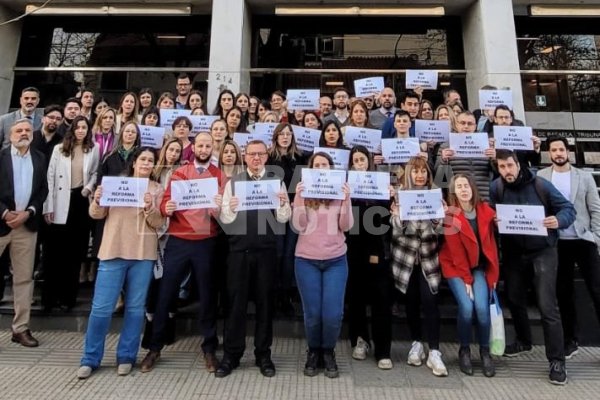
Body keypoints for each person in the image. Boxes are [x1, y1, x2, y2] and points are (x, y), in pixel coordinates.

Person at [77, 147, 165, 379]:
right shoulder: (115, 183)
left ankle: (126, 356)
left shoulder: (157, 189)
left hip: (142, 254)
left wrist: (150, 207)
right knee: (101, 308)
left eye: (150, 160)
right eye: (143, 159)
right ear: (134, 162)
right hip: (113, 250)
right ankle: (90, 358)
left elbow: (159, 223)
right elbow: (96, 214)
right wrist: (96, 200)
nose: (146, 163)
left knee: (136, 309)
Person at [140, 133, 224, 374]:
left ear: (212, 149)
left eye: (209, 145)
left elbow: (226, 212)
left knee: (207, 296)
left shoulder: (220, 175)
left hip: (206, 241)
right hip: (178, 239)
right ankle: (154, 347)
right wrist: (167, 207)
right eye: (201, 145)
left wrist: (219, 208)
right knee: (166, 294)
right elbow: (166, 203)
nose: (205, 148)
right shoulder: (179, 173)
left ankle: (209, 348)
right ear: (194, 147)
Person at [490, 149, 576, 385]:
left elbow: (569, 209)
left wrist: (558, 221)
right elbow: (491, 214)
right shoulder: (496, 188)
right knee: (515, 298)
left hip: (543, 251)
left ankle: (557, 360)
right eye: (501, 167)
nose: (506, 171)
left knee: (548, 305)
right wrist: (494, 222)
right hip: (514, 252)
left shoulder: (541, 185)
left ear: (517, 164)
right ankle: (523, 340)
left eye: (509, 165)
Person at [216, 140, 291, 378]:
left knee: (265, 304)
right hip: (239, 252)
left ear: (266, 157)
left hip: (266, 252)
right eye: (252, 154)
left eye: (260, 154)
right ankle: (232, 355)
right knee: (236, 305)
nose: (256, 158)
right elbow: (225, 220)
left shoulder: (275, 182)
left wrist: (281, 202)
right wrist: (232, 208)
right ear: (245, 157)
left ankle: (263, 354)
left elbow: (284, 217)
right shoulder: (234, 183)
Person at [537, 136, 600, 359]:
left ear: (568, 152)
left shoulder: (584, 177)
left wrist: (595, 237)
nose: (558, 153)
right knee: (563, 293)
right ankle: (570, 340)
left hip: (583, 241)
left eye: (561, 149)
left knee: (596, 289)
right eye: (554, 150)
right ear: (549, 153)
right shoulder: (541, 177)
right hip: (557, 243)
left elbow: (595, 209)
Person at [292, 152, 352, 378]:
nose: (320, 168)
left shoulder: (339, 193)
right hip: (306, 259)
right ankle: (314, 351)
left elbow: (345, 226)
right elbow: (299, 225)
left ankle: (328, 350)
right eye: (316, 165)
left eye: (324, 165)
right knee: (313, 313)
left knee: (333, 313)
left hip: (336, 259)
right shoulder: (304, 193)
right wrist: (298, 198)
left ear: (331, 168)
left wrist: (346, 200)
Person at [390, 156, 447, 377]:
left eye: (424, 171)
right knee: (411, 301)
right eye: (416, 171)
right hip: (405, 258)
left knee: (430, 300)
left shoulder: (435, 194)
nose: (420, 175)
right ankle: (416, 342)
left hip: (427, 258)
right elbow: (394, 229)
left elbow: (441, 230)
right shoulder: (399, 194)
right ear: (409, 174)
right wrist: (400, 216)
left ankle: (434, 350)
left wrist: (437, 219)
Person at [440, 173, 499, 377]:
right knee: (466, 307)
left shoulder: (486, 211)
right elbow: (455, 252)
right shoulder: (451, 216)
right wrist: (466, 280)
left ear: (473, 188)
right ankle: (464, 349)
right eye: (459, 186)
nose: (464, 189)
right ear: (453, 191)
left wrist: (492, 276)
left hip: (480, 267)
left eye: (466, 185)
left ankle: (484, 351)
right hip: (456, 268)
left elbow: (492, 246)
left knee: (482, 309)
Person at [42, 115, 99, 312]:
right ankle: (50, 298)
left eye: (85, 127)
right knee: (55, 253)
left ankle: (68, 298)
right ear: (72, 129)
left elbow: (95, 173)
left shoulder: (94, 148)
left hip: (80, 201)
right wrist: (48, 206)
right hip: (59, 201)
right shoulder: (59, 149)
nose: (81, 130)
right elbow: (50, 177)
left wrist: (89, 188)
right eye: (78, 127)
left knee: (75, 253)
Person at [0, 119, 48, 347]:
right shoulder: (0, 156)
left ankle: (20, 329)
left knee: (24, 279)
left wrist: (29, 212)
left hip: (26, 226)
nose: (23, 133)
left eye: (28, 130)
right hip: (1, 222)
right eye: (18, 130)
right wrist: (5, 213)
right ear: (10, 135)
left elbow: (42, 190)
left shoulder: (39, 158)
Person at [346, 146, 393, 370]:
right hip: (354, 250)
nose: (359, 164)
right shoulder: (347, 191)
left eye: (362, 159)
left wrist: (391, 197)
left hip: (378, 250)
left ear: (369, 162)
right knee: (356, 298)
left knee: (381, 299)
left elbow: (387, 223)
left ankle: (383, 349)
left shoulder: (381, 188)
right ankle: (360, 340)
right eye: (355, 160)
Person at [141, 137, 183, 350]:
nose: (173, 153)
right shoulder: (154, 174)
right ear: (165, 150)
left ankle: (169, 322)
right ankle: (150, 323)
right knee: (153, 280)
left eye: (178, 150)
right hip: (153, 230)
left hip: (174, 230)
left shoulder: (183, 174)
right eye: (171, 149)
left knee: (170, 278)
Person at [268, 123, 304, 315]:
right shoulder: (268, 157)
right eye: (282, 134)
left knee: (289, 253)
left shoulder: (299, 158)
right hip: (273, 212)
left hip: (293, 210)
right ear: (276, 136)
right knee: (277, 252)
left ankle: (285, 295)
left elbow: (302, 182)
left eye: (289, 134)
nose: (285, 137)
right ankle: (274, 294)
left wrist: (293, 200)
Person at [435, 111, 496, 200]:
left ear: (475, 126)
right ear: (456, 125)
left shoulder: (486, 145)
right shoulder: (446, 146)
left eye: (470, 124)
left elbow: (496, 173)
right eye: (463, 123)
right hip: (458, 198)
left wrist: (494, 159)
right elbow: (441, 180)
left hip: (483, 196)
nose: (466, 126)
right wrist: (443, 160)